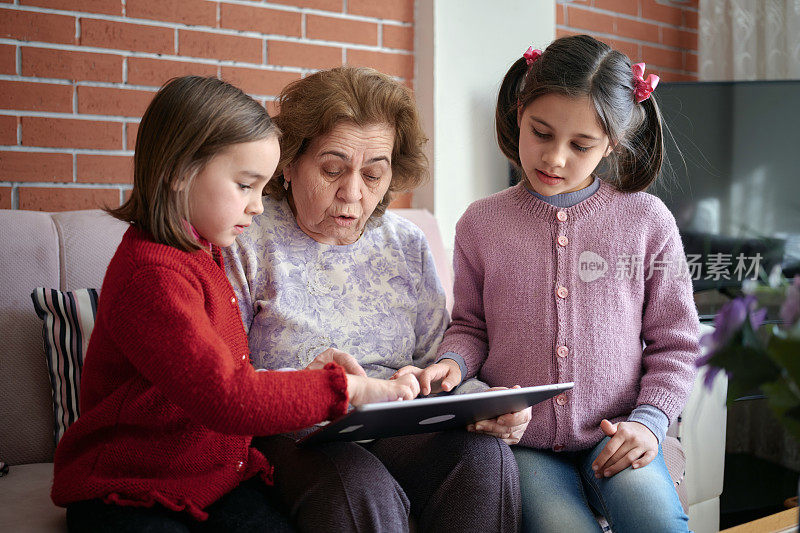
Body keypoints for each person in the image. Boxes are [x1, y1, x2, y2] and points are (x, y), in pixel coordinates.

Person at [50, 75, 419, 533]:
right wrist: (345, 390)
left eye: (262, 188)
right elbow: (226, 396)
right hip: (129, 488)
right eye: (246, 186)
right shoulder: (152, 276)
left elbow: (231, 370)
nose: (260, 207)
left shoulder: (206, 252)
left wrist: (301, 377)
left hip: (215, 479)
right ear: (179, 173)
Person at [413, 35, 699, 532]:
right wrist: (451, 364)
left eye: (580, 145)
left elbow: (676, 343)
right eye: (540, 133)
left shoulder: (647, 220)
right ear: (519, 112)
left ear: (612, 142)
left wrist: (649, 422)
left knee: (656, 520)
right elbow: (471, 327)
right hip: (525, 446)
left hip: (620, 433)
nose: (555, 159)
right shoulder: (481, 223)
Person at [224, 66, 524, 532]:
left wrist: (484, 403)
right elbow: (219, 379)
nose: (353, 193)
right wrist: (304, 385)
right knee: (357, 487)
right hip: (294, 433)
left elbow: (435, 364)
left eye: (373, 174)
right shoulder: (246, 237)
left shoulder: (405, 242)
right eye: (332, 169)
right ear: (288, 162)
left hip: (394, 425)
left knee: (483, 460)